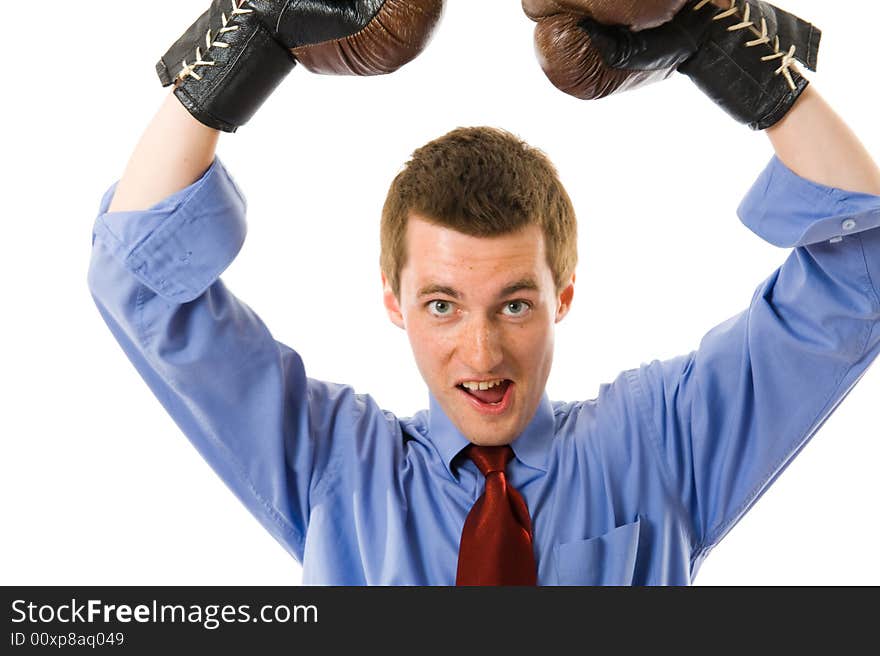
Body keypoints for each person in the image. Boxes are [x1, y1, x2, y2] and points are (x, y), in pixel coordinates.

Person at [88, 0, 880, 584]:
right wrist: (252, 34)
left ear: (562, 295)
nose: (482, 352)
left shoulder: (658, 446)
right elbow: (134, 277)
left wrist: (718, 37)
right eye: (441, 304)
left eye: (514, 303)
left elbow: (864, 265)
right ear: (393, 302)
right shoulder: (336, 465)